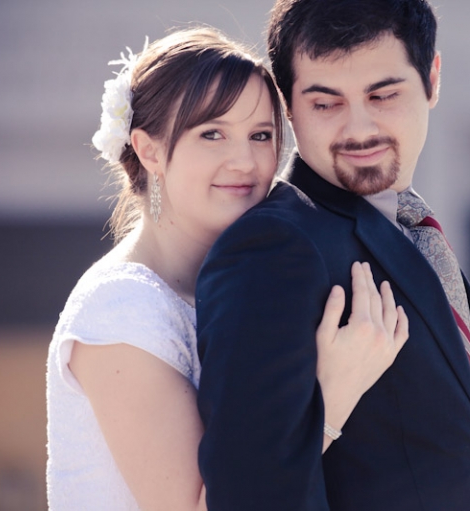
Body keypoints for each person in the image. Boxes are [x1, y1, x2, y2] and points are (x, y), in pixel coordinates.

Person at [45, 27, 408, 510]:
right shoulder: (120, 309)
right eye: (212, 134)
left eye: (261, 136)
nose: (245, 161)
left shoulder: (242, 287)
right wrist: (331, 397)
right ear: (149, 150)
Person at [195, 0, 470, 509]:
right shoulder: (272, 248)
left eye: (383, 95)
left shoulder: (409, 227)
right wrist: (328, 407)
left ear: (432, 78)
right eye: (326, 104)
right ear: (287, 105)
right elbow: (247, 494)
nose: (359, 129)